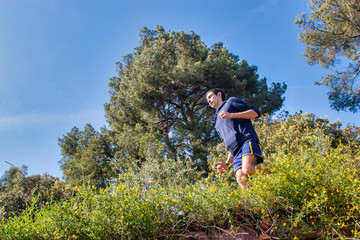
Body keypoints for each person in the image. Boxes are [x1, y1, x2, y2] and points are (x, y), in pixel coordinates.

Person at [206, 88, 266, 189]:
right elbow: (231, 145)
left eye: (210, 96)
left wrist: (231, 115)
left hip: (246, 141)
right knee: (241, 179)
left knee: (248, 169)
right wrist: (227, 164)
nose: (208, 100)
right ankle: (256, 202)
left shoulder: (231, 102)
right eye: (207, 100)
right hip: (236, 152)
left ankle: (280, 167)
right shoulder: (217, 124)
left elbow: (255, 113)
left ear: (219, 94)